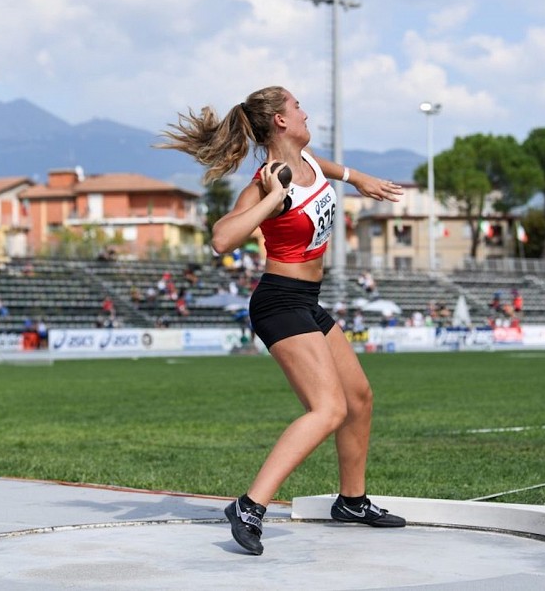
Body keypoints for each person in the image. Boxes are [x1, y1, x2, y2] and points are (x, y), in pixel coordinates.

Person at [158, 86, 406, 555]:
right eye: (297, 107)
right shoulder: (268, 179)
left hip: (307, 299)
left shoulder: (306, 159)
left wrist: (358, 178)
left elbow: (321, 170)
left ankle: (351, 502)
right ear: (280, 122)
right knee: (328, 408)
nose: (305, 111)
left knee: (359, 397)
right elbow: (221, 239)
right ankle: (250, 506)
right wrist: (273, 199)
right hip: (279, 301)